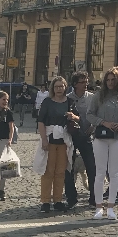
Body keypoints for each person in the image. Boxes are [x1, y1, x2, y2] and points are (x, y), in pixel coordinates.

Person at [87, 68, 118, 220]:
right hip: (100, 137)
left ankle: (111, 207)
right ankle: (99, 207)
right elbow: (89, 114)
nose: (110, 82)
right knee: (100, 172)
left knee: (114, 173)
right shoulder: (98, 96)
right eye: (108, 80)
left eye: (113, 80)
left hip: (116, 137)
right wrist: (103, 122)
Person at [37, 76, 74, 214]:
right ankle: (45, 201)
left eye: (61, 86)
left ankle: (58, 200)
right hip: (50, 140)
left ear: (65, 87)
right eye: (56, 86)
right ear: (53, 88)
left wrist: (73, 117)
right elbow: (41, 121)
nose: (59, 89)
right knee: (48, 171)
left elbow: (77, 118)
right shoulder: (47, 102)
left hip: (64, 141)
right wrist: (44, 140)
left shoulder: (69, 102)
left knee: (60, 172)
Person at [64, 72, 97, 211]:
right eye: (82, 82)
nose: (85, 84)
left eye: (86, 81)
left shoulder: (92, 98)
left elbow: (98, 114)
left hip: (86, 136)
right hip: (71, 137)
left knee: (92, 167)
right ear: (75, 84)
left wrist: (93, 126)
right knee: (68, 168)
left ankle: (94, 198)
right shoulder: (68, 98)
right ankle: (71, 198)